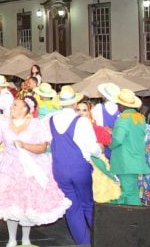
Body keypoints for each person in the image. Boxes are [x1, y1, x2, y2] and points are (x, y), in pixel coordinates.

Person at [0, 98, 70, 247]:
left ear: (25, 109)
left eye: (15, 105)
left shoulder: (37, 125)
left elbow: (42, 148)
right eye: (12, 105)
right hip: (8, 167)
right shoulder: (2, 123)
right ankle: (11, 239)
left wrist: (24, 145)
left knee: (27, 204)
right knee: (11, 205)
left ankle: (25, 239)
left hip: (30, 167)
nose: (11, 108)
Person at [49, 85, 102, 246]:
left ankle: (83, 243)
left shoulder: (52, 119)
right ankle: (99, 239)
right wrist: (99, 152)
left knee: (71, 207)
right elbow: (92, 147)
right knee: (87, 204)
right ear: (74, 103)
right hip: (79, 167)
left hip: (59, 169)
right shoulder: (82, 122)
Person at [108, 88, 150, 206]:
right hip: (136, 160)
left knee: (128, 192)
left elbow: (118, 139)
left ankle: (134, 218)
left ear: (122, 105)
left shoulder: (122, 119)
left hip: (125, 161)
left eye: (118, 104)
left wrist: (108, 144)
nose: (117, 106)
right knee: (132, 190)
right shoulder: (140, 118)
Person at [93, 82, 122, 159]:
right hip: (117, 140)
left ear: (103, 95)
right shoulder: (120, 109)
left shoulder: (98, 107)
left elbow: (98, 125)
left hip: (102, 139)